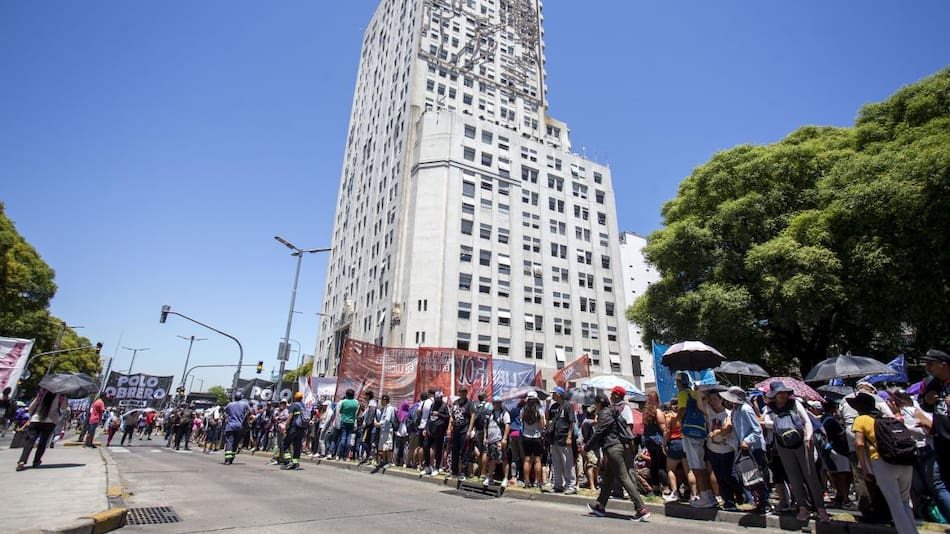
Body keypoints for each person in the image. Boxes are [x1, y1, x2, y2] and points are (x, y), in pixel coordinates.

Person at [762, 381, 830, 523]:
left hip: (801, 443)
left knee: (810, 475)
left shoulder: (795, 404)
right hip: (783, 445)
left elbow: (807, 421)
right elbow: (767, 422)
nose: (782, 395)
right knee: (794, 477)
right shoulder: (769, 408)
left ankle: (820, 508)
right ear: (774, 395)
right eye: (779, 393)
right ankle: (802, 508)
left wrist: (808, 437)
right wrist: (780, 423)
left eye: (784, 392)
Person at [850, 391, 917, 533]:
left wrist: (865, 468)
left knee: (895, 504)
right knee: (905, 502)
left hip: (882, 462)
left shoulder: (861, 419)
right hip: (904, 459)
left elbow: (859, 444)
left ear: (858, 408)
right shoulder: (886, 418)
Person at [585, 388, 651, 521]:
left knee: (623, 478)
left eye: (595, 404)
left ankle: (641, 509)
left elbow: (599, 433)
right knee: (608, 478)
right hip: (617, 447)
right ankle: (600, 505)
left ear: (599, 404)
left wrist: (587, 447)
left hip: (613, 448)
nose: (594, 408)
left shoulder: (605, 414)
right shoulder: (612, 411)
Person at [719, 386, 771, 513]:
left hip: (755, 448)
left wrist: (748, 440)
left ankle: (765, 504)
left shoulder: (746, 409)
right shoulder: (735, 411)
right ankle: (758, 503)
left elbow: (757, 429)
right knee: (750, 477)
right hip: (744, 449)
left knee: (758, 476)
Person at [669, 373, 715, 508]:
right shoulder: (694, 392)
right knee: (700, 464)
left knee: (696, 466)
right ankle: (708, 495)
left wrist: (675, 421)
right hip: (700, 430)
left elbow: (682, 410)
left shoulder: (683, 393)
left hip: (689, 431)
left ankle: (705, 497)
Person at [698, 387, 741, 511]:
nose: (712, 401)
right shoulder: (709, 411)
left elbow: (728, 428)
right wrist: (702, 390)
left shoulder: (728, 413)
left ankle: (740, 493)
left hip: (727, 449)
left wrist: (717, 432)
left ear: (722, 399)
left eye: (715, 399)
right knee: (719, 477)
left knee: (728, 476)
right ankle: (728, 501)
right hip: (713, 449)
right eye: (710, 399)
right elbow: (700, 403)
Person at [16, 388, 68, 471]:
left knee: (30, 441)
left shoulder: (42, 393)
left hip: (36, 419)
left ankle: (22, 460)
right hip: (50, 421)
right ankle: (36, 461)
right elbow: (64, 407)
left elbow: (31, 407)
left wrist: (32, 415)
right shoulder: (61, 395)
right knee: (43, 442)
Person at [641, 391, 672, 499]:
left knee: (654, 464)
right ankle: (666, 487)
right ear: (657, 400)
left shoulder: (645, 412)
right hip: (658, 441)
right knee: (662, 465)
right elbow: (663, 428)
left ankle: (655, 486)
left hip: (649, 441)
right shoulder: (657, 412)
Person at [546, 386, 577, 494]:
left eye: (554, 393)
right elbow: (548, 419)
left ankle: (571, 485)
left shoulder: (567, 406)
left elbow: (572, 421)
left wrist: (569, 436)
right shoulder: (554, 406)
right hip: (554, 438)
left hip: (564, 438)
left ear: (559, 394)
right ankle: (558, 485)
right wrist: (546, 406)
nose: (552, 395)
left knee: (567, 463)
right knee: (556, 463)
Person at [447, 386, 476, 480]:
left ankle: (463, 472)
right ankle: (454, 471)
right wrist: (449, 429)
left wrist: (469, 430)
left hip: (464, 430)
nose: (463, 393)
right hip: (455, 430)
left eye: (464, 392)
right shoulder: (455, 403)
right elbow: (452, 416)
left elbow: (472, 416)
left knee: (464, 451)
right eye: (461, 391)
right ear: (459, 392)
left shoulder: (469, 403)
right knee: (454, 451)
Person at [481, 398, 510, 487]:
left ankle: (505, 479)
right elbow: (486, 426)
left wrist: (504, 438)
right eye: (495, 403)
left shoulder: (504, 413)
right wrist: (485, 437)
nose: (496, 404)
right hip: (491, 440)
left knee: (504, 459)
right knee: (491, 459)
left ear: (500, 403)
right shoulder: (489, 413)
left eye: (498, 403)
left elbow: (507, 425)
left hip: (499, 440)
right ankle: (490, 477)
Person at [520, 391, 546, 488]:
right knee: (537, 460)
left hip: (526, 436)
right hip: (537, 437)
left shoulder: (523, 410)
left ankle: (527, 481)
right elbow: (543, 425)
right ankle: (537, 481)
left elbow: (521, 421)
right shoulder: (539, 410)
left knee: (527, 459)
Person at [422, 391, 449, 476]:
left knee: (438, 449)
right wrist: (425, 428)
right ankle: (427, 466)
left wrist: (439, 414)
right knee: (425, 446)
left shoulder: (444, 406)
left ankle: (436, 467)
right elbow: (429, 417)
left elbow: (447, 417)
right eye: (436, 398)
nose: (437, 400)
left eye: (438, 398)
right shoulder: (432, 405)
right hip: (430, 429)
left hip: (439, 431)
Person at [281, 392, 307, 470]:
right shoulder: (303, 406)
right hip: (301, 429)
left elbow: (290, 417)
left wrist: (286, 427)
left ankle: (287, 460)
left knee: (285, 443)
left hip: (293, 428)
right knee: (297, 446)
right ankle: (295, 463)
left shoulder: (294, 405)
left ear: (295, 397)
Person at [223, 391, 250, 465]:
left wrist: (226, 418)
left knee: (229, 442)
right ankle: (231, 458)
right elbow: (250, 412)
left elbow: (224, 411)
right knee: (235, 442)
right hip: (239, 426)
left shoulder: (230, 404)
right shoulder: (245, 404)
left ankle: (227, 460)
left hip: (230, 426)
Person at [334, 389, 359, 461]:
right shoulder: (356, 402)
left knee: (343, 438)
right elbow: (356, 413)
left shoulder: (343, 402)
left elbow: (340, 411)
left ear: (347, 395)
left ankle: (339, 455)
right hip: (351, 421)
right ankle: (347, 455)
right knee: (349, 438)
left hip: (344, 420)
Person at [374, 394, 396, 468]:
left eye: (382, 400)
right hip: (383, 430)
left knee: (388, 447)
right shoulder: (385, 408)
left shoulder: (389, 408)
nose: (381, 402)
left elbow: (387, 419)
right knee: (383, 447)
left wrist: (378, 424)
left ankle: (389, 462)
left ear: (385, 401)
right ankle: (384, 461)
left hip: (387, 430)